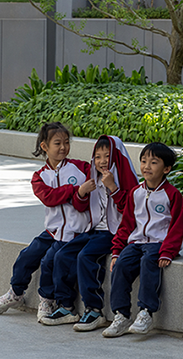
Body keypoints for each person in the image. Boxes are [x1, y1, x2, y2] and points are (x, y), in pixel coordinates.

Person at [0, 122, 94, 320]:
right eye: (57, 143)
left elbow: (84, 201)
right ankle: (15, 293)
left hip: (76, 233)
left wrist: (79, 194)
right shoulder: (39, 177)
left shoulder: (81, 168)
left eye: (66, 142)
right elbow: (49, 197)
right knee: (27, 256)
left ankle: (47, 300)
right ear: (44, 146)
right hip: (53, 232)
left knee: (49, 262)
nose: (63, 147)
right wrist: (75, 191)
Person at [42, 135, 138, 331]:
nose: (102, 161)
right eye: (98, 156)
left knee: (86, 256)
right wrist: (81, 193)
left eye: (107, 156)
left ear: (117, 157)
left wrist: (113, 188)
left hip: (114, 232)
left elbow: (130, 211)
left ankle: (94, 310)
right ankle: (66, 306)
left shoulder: (123, 178)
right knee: (63, 254)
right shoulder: (93, 176)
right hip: (93, 229)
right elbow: (80, 206)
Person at [104, 142, 183, 338]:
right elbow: (127, 224)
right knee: (121, 265)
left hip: (159, 243)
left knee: (149, 262)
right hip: (137, 242)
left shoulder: (172, 195)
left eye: (154, 162)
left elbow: (177, 227)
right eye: (143, 161)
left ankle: (146, 312)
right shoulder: (136, 193)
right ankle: (121, 315)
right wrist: (117, 250)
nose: (147, 166)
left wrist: (168, 251)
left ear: (166, 169)